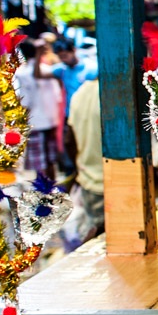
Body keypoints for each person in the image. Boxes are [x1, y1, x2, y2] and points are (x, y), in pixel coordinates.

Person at [62, 78, 105, 250]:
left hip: (88, 180)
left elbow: (68, 139)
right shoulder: (117, 93)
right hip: (112, 183)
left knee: (96, 246)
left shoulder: (80, 93)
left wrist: (79, 167)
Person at [14, 39, 63, 180]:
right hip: (52, 119)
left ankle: (44, 191)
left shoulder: (22, 73)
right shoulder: (47, 69)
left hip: (35, 121)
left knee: (39, 162)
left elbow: (26, 100)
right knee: (50, 160)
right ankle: (52, 189)